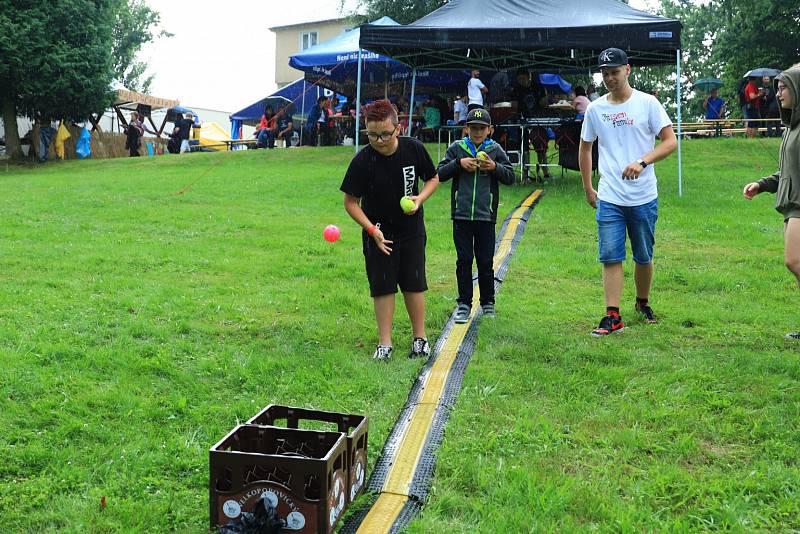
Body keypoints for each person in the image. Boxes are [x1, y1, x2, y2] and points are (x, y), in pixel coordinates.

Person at [578, 47, 678, 336]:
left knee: (643, 255)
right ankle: (612, 315)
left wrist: (643, 161)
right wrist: (588, 187)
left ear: (628, 70)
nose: (610, 78)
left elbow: (670, 142)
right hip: (609, 195)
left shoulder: (647, 104)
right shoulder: (596, 109)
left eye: (615, 72)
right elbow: (586, 148)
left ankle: (642, 302)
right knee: (610, 254)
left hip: (643, 196)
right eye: (605, 73)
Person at [340, 99, 440, 360]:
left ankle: (420, 339)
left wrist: (420, 199)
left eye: (385, 133)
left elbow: (433, 177)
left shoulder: (414, 149)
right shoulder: (363, 160)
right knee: (382, 286)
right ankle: (385, 343)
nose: (379, 140)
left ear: (398, 128)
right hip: (379, 233)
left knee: (414, 282)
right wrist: (372, 230)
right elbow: (351, 203)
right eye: (372, 135)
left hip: (411, 230)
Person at [436, 108, 515, 323]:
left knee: (485, 261)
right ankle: (463, 303)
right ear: (466, 129)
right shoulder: (457, 148)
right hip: (461, 216)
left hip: (485, 216)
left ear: (490, 130)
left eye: (482, 128)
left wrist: (494, 167)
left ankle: (488, 302)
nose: (477, 132)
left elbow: (510, 177)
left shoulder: (495, 150)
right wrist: (458, 164)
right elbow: (440, 173)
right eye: (473, 128)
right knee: (463, 260)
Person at [742, 65, 800, 338]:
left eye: (783, 87)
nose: (778, 94)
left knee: (794, 261)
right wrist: (763, 184)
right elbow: (787, 170)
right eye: (777, 88)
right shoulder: (791, 126)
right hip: (791, 205)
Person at [512, 69, 551, 180]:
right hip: (523, 121)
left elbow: (544, 102)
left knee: (541, 147)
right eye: (519, 79)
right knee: (524, 149)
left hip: (538, 121)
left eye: (523, 79)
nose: (521, 81)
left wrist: (544, 99)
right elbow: (514, 105)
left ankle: (545, 172)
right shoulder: (516, 90)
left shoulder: (538, 87)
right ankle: (526, 172)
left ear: (528, 77)